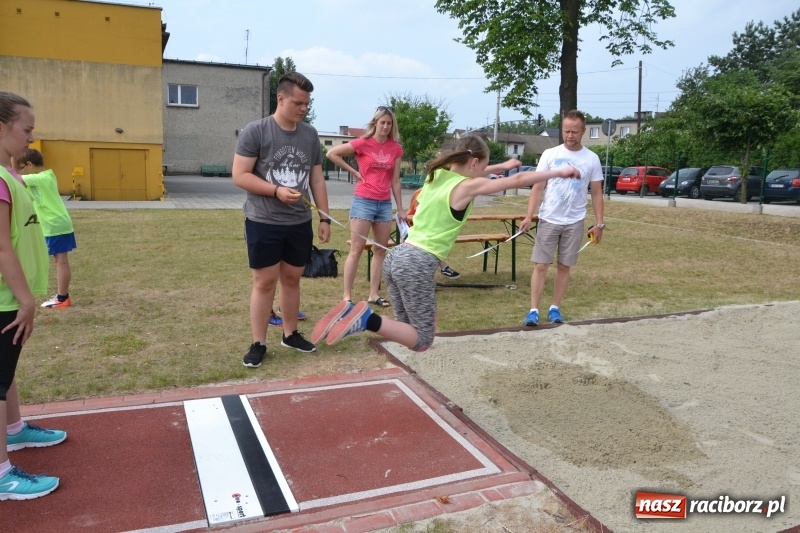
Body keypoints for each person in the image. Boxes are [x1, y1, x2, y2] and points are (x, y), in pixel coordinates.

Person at [310, 135, 580, 351]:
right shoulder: (465, 187)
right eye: (483, 167)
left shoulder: (436, 176)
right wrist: (559, 172)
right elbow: (520, 180)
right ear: (474, 164)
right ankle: (365, 319)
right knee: (423, 340)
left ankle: (348, 310)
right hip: (417, 264)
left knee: (407, 333)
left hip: (397, 257)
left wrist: (500, 166)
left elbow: (477, 171)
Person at [232, 72, 331, 368]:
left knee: (292, 279)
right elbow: (240, 175)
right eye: (298, 103)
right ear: (281, 98)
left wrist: (324, 217)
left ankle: (290, 334)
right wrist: (275, 190)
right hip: (263, 220)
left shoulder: (310, 134)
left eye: (306, 104)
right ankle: (258, 342)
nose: (303, 109)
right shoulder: (256, 131)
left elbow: (316, 177)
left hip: (299, 223)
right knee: (264, 282)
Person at [0, 91, 67, 500]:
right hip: (6, 299)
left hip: (10, 297)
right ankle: (3, 475)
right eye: (26, 130)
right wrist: (26, 299)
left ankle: (15, 429)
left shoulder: (9, 174)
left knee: (5, 375)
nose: (31, 139)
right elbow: (1, 247)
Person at [519, 110, 605, 326]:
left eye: (574, 131)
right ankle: (533, 311)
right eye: (566, 131)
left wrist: (599, 223)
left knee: (565, 266)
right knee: (540, 265)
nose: (570, 135)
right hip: (549, 218)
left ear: (583, 131)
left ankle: (555, 308)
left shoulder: (591, 159)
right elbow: (538, 187)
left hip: (575, 221)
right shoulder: (549, 154)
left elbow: (596, 192)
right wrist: (529, 215)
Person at [326, 106, 405, 308]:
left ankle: (373, 294)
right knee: (357, 249)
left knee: (380, 250)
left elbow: (395, 180)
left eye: (389, 123)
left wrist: (401, 208)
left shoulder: (395, 148)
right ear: (375, 123)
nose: (386, 126)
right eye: (382, 123)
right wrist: (352, 170)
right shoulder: (363, 143)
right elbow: (332, 153)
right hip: (364, 201)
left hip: (384, 204)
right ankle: (347, 296)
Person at [16, 148, 76, 309]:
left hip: (55, 224)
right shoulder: (45, 176)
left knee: (60, 261)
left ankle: (62, 298)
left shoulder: (40, 178)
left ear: (29, 164)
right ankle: (61, 296)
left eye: (21, 167)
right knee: (59, 260)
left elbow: (12, 177)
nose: (20, 171)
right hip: (54, 224)